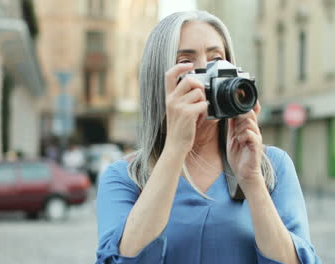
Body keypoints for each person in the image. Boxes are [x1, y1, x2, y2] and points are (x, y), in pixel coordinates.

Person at [95, 11, 321, 264]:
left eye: (217, 58)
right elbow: (123, 259)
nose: (209, 72)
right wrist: (175, 149)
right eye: (186, 61)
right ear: (159, 78)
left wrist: (252, 181)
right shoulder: (124, 177)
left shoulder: (273, 165)